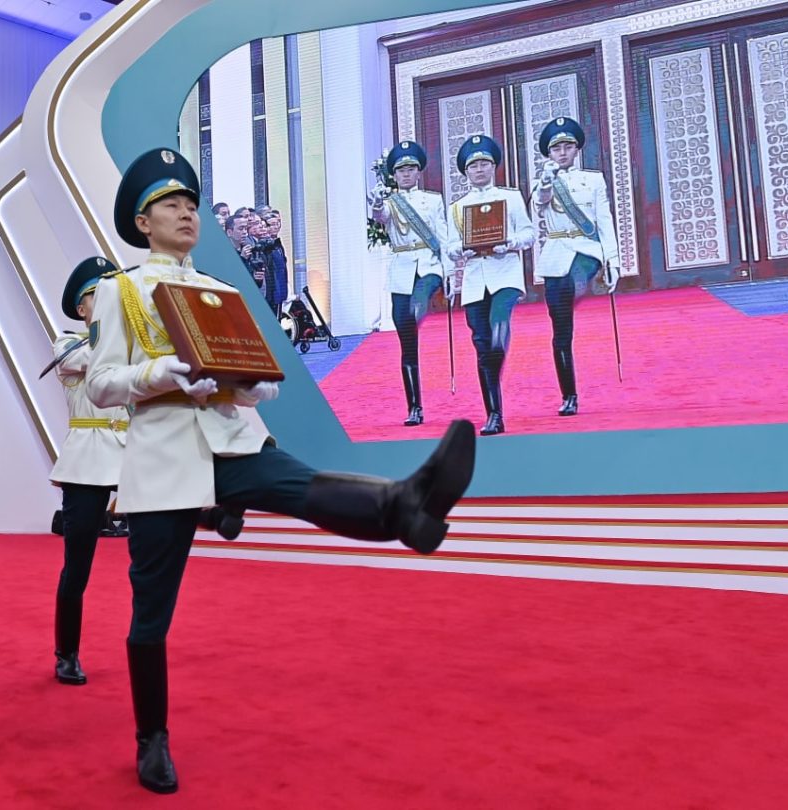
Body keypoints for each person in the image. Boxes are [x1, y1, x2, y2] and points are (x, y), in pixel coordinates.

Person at [85, 147, 477, 795]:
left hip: (232, 440)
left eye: (191, 204)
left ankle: (405, 507)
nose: (186, 214)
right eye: (170, 205)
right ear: (142, 222)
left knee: (300, 485)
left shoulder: (218, 291)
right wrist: (163, 373)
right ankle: (151, 738)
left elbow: (264, 382)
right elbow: (101, 385)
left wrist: (247, 383)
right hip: (163, 456)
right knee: (151, 610)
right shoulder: (119, 291)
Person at [48, 256, 132, 685]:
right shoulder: (68, 343)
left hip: (133, 454)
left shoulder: (130, 343)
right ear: (81, 308)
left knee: (149, 558)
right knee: (77, 565)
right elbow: (89, 359)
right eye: (98, 295)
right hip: (88, 458)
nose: (107, 301)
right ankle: (67, 652)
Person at [444, 135, 536, 436]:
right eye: (473, 166)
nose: (479, 169)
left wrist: (509, 243)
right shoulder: (458, 207)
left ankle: (499, 352)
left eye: (484, 163)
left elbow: (529, 234)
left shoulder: (510, 197)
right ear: (466, 172)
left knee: (498, 327)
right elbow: (450, 245)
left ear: (493, 166)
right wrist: (462, 249)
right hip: (474, 281)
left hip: (505, 274)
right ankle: (494, 415)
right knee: (482, 345)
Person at [529, 117, 621, 416]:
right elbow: (540, 203)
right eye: (557, 149)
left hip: (586, 250)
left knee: (575, 281)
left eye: (568, 147)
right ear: (549, 153)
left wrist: (612, 260)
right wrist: (546, 181)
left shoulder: (593, 180)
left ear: (576, 149)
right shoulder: (542, 182)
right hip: (556, 254)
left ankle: (582, 287)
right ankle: (569, 395)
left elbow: (604, 219)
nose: (563, 152)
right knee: (560, 330)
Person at [368, 140, 448, 426]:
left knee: (419, 301)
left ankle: (420, 307)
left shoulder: (433, 200)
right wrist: (377, 203)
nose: (406, 174)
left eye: (410, 169)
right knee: (407, 342)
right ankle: (415, 407)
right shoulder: (389, 202)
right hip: (402, 271)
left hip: (428, 266)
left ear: (418, 172)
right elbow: (380, 217)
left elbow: (443, 236)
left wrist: (450, 274)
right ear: (394, 174)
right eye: (401, 170)